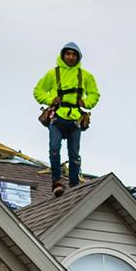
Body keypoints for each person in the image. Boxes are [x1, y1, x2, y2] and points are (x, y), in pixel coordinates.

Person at [33, 42, 98, 196]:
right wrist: (50, 100)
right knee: (54, 149)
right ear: (63, 55)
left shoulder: (85, 76)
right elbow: (38, 91)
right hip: (57, 117)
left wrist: (86, 103)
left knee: (74, 154)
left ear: (78, 57)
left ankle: (74, 185)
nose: (70, 57)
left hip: (75, 119)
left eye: (74, 54)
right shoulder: (53, 74)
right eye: (68, 54)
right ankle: (56, 182)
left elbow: (94, 94)